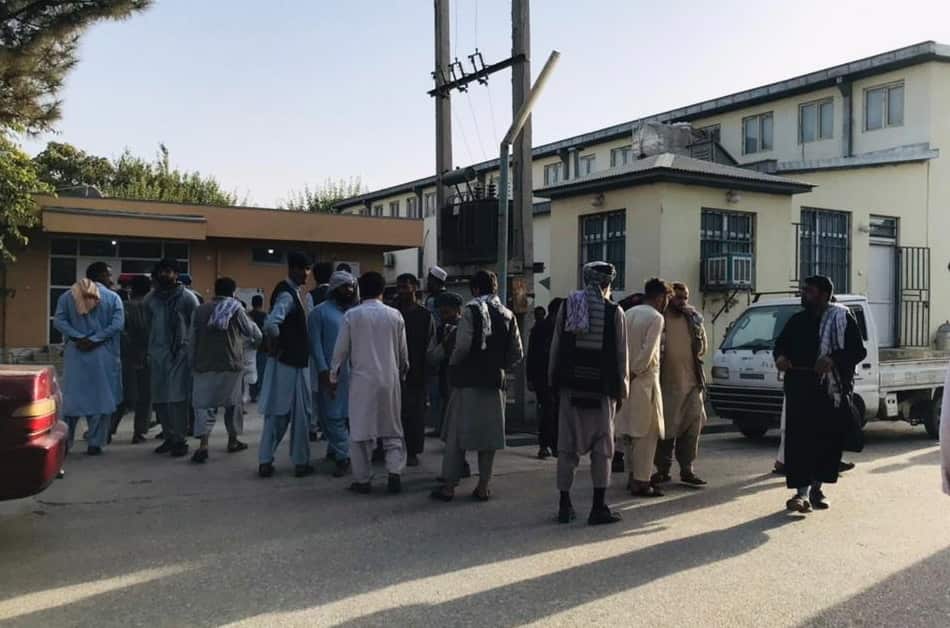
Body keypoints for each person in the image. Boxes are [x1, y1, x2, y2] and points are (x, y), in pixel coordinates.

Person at [774, 275, 866, 513]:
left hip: (828, 392)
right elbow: (780, 345)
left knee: (825, 444)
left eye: (810, 291)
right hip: (800, 390)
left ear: (824, 295)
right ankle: (800, 494)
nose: (804, 294)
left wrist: (832, 359)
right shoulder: (797, 320)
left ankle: (816, 489)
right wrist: (781, 358)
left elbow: (858, 351)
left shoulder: (841, 318)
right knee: (799, 444)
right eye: (804, 290)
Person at [430, 270, 523, 503]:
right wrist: (498, 365)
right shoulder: (508, 314)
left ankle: (449, 487)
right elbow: (517, 353)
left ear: (474, 289)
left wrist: (453, 365)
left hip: (467, 382)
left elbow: (461, 346)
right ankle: (483, 487)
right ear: (495, 288)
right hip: (494, 383)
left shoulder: (471, 311)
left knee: (456, 437)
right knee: (488, 440)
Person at [547, 262, 628, 525]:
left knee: (566, 449)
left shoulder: (568, 306)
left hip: (570, 390)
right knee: (602, 450)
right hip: (601, 393)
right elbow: (621, 356)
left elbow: (556, 348)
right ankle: (598, 507)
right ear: (607, 284)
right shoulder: (614, 312)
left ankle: (564, 505)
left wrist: (553, 383)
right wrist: (622, 391)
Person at [330, 271, 409, 494]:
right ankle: (394, 473)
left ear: (359, 291)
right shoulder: (395, 316)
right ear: (382, 291)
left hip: (362, 382)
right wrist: (402, 372)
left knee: (360, 432)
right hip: (389, 380)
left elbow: (340, 350)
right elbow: (403, 354)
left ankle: (363, 480)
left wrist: (333, 376)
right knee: (392, 429)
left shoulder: (352, 316)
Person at [53, 262, 125, 456]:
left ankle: (65, 445)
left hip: (76, 354)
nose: (111, 279)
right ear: (100, 275)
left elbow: (59, 321)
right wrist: (95, 339)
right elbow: (117, 325)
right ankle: (95, 443)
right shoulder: (113, 298)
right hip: (102, 355)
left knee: (72, 401)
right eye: (109, 275)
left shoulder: (68, 296)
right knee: (100, 401)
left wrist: (78, 337)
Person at [189, 277, 262, 463]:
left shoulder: (199, 310)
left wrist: (192, 363)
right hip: (231, 364)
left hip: (204, 364)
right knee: (233, 404)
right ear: (233, 291)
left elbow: (192, 339)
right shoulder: (236, 309)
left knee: (204, 406)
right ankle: (232, 440)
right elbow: (254, 334)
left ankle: (204, 445)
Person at [258, 251, 315, 478]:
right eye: (303, 269)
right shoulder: (288, 295)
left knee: (279, 413)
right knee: (299, 414)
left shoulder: (292, 292)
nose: (306, 274)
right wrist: (278, 342)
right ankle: (299, 462)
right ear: (292, 268)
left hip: (289, 361)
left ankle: (266, 459)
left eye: (308, 269)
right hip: (291, 364)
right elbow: (272, 323)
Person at [616, 277, 671, 498]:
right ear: (660, 298)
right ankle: (642, 481)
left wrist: (624, 374)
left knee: (628, 433)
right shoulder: (656, 318)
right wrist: (634, 372)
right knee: (646, 436)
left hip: (625, 383)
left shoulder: (627, 314)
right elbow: (648, 353)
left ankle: (632, 477)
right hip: (643, 381)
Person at [653, 282, 708, 486]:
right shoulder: (660, 319)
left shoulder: (692, 319)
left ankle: (687, 469)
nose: (683, 302)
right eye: (678, 298)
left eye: (685, 297)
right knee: (666, 430)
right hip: (667, 384)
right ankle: (662, 469)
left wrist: (698, 330)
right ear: (669, 298)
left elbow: (702, 350)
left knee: (692, 429)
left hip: (692, 383)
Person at [146, 258, 200, 458]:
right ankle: (168, 437)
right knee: (159, 399)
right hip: (157, 354)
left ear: (176, 275)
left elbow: (195, 328)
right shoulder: (151, 299)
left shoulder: (188, 298)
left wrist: (192, 354)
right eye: (162, 271)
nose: (165, 275)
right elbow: (147, 327)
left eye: (169, 271)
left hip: (180, 355)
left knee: (177, 399)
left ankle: (180, 439)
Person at [308, 270, 359, 478]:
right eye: (345, 287)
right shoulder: (319, 313)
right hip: (330, 373)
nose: (349, 291)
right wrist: (322, 370)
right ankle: (343, 456)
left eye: (351, 287)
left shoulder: (354, 312)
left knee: (346, 415)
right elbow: (315, 344)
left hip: (354, 373)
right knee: (331, 414)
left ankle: (337, 451)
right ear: (334, 288)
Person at [395, 273, 435, 467]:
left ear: (414, 287)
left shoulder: (425, 315)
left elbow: (430, 345)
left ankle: (412, 451)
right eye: (399, 287)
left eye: (405, 286)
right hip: (393, 370)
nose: (402, 291)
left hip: (417, 372)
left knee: (415, 415)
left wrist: (427, 374)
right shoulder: (392, 312)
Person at [527, 300, 562, 459]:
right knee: (554, 411)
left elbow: (531, 354)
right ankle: (552, 445)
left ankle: (545, 445)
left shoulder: (538, 328)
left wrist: (530, 377)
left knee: (548, 410)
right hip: (554, 377)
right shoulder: (559, 327)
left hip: (541, 376)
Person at [123, 274, 153, 444]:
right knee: (145, 395)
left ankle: (108, 428)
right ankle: (139, 431)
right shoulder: (150, 306)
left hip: (126, 354)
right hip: (147, 354)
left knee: (123, 393)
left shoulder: (124, 305)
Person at [424, 266, 449, 438]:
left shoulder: (439, 300)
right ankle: (439, 425)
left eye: (431, 280)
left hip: (439, 345)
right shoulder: (431, 298)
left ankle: (442, 426)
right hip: (435, 344)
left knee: (441, 390)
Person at [248, 294, 268, 402]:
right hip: (263, 348)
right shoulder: (265, 316)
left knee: (252, 371)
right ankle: (259, 392)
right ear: (262, 303)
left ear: (252, 303)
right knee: (261, 372)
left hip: (250, 348)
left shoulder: (248, 315)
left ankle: (253, 393)